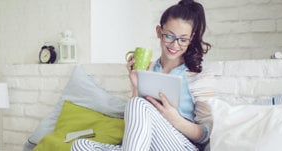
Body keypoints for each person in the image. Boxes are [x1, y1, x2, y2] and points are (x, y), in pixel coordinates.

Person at [71, 0, 214, 150]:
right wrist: (135, 86)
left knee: (138, 104)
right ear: (159, 32)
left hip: (181, 145)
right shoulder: (148, 69)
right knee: (80, 145)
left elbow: (206, 135)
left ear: (191, 39)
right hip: (145, 145)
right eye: (169, 36)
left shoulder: (198, 75)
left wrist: (175, 119)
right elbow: (136, 128)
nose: (175, 45)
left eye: (183, 40)